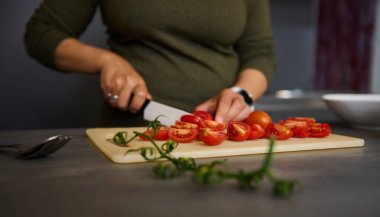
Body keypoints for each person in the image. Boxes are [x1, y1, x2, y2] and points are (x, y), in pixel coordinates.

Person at [24, 0, 276, 126]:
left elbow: (259, 51)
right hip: (133, 136)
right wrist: (106, 61)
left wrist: (242, 92)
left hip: (224, 137)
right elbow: (41, 33)